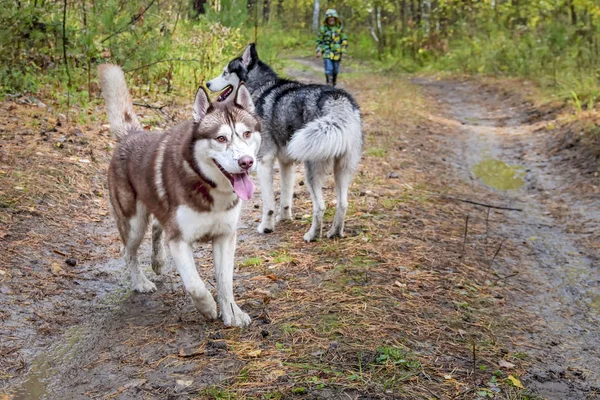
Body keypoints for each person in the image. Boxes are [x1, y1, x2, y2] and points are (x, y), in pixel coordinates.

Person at [315, 9, 347, 87]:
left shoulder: (339, 28)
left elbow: (344, 40)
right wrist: (319, 50)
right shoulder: (323, 29)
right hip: (327, 52)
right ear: (327, 19)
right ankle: (329, 84)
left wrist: (343, 51)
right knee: (328, 69)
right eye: (329, 19)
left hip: (337, 52)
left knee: (335, 70)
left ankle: (334, 83)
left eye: (333, 19)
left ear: (335, 19)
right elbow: (319, 41)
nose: (331, 20)